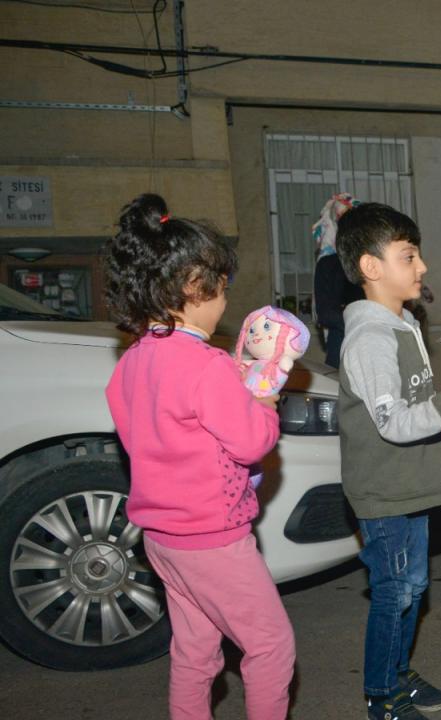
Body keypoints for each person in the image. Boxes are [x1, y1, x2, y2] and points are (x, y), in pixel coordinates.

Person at [103, 193, 295, 720]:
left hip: (163, 540)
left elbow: (143, 436)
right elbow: (252, 442)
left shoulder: (131, 364)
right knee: (271, 646)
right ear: (193, 286)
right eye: (222, 288)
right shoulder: (205, 365)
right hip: (213, 540)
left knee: (194, 652)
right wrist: (263, 403)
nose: (225, 303)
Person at [335, 202, 441, 719]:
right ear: (371, 267)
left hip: (412, 481)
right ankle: (381, 694)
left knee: (414, 588)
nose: (422, 266)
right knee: (393, 593)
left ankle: (398, 674)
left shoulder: (404, 323)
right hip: (383, 490)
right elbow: (393, 421)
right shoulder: (370, 338)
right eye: (409, 256)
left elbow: (418, 400)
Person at [312, 192, 365, 368]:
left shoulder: (371, 260)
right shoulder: (328, 263)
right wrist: (361, 321)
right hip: (343, 349)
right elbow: (325, 313)